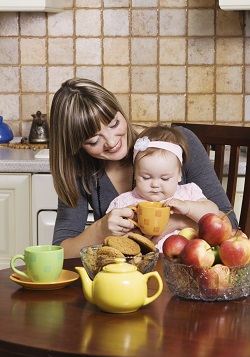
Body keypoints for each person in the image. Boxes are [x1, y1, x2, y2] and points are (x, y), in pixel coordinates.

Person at [50, 78, 238, 259]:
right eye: (93, 140)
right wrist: (100, 229)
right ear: (76, 145)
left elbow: (230, 225)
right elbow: (61, 252)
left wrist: (174, 222)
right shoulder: (81, 171)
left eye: (114, 123)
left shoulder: (174, 145)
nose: (111, 141)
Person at [106, 125, 220, 251]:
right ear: (135, 174)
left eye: (165, 178)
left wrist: (188, 208)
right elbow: (109, 236)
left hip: (187, 261)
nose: (155, 184)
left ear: (179, 175)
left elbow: (214, 215)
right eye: (146, 177)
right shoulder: (124, 202)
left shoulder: (188, 193)